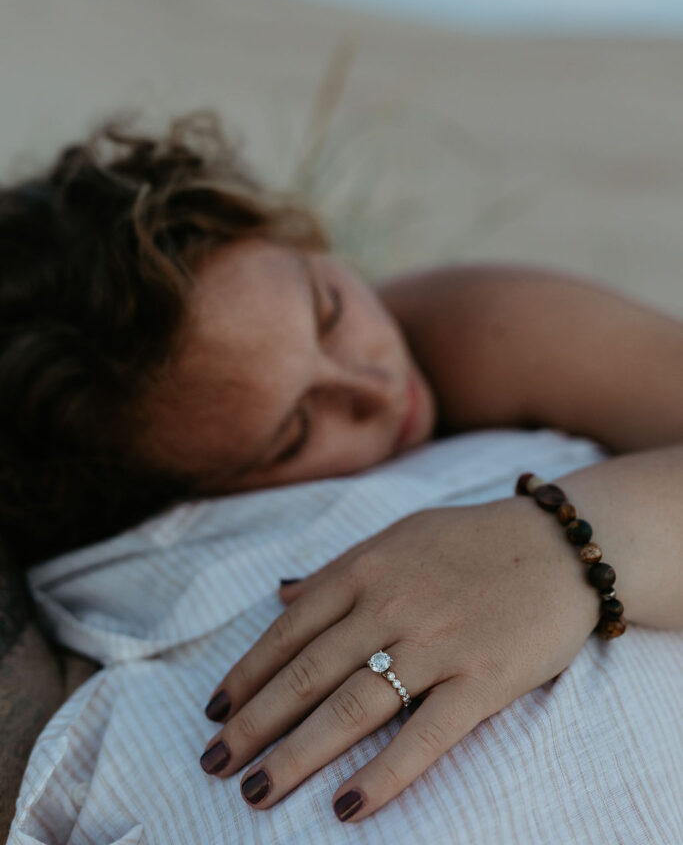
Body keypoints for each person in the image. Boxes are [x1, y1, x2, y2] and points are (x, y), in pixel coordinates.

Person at [2, 110, 682, 841]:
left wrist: (562, 549)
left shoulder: (477, 328)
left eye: (327, 311)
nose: (375, 384)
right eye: (295, 430)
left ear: (291, 235)